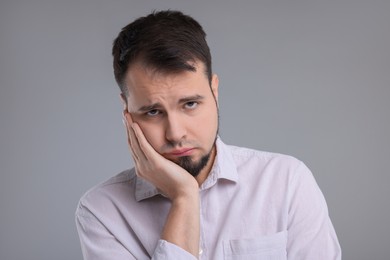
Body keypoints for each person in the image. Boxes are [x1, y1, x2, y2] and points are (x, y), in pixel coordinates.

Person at [75, 10, 341, 259]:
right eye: (153, 112)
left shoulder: (286, 183)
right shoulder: (102, 212)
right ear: (127, 111)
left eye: (190, 104)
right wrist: (184, 197)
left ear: (214, 91)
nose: (175, 134)